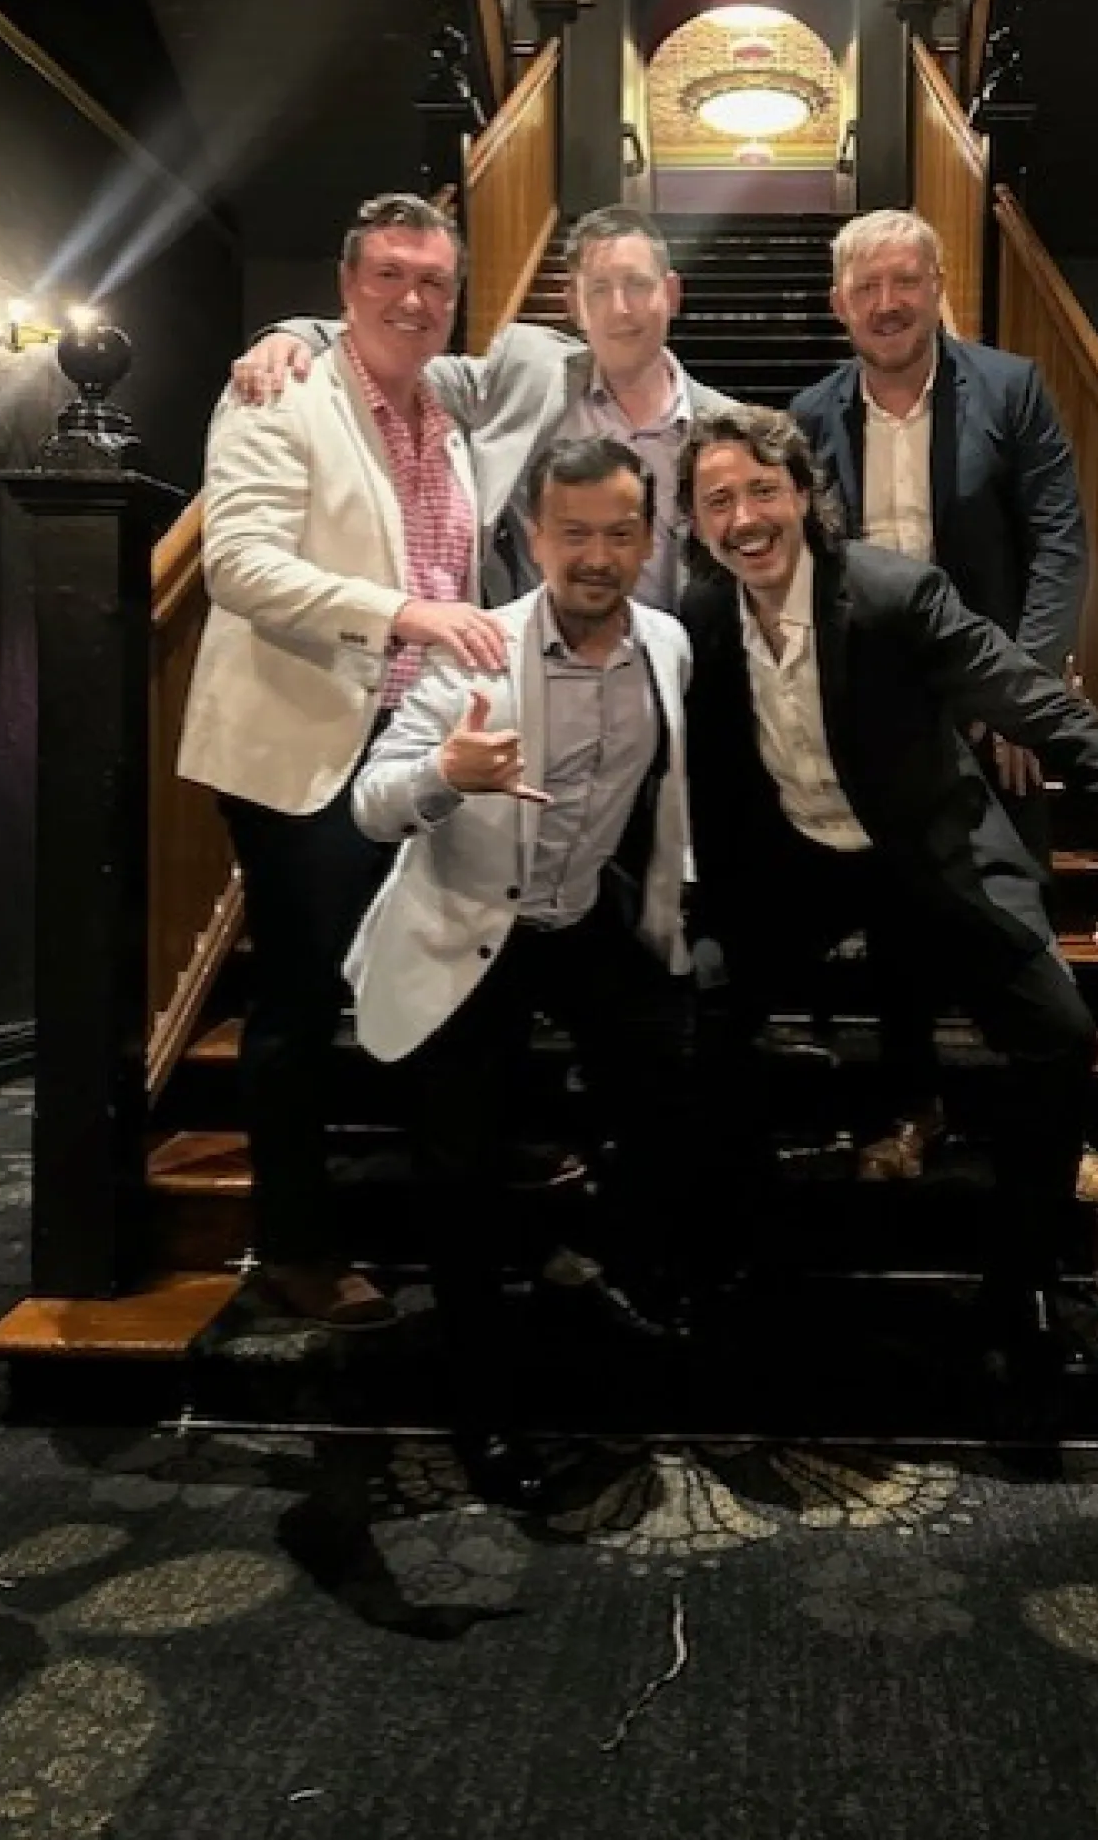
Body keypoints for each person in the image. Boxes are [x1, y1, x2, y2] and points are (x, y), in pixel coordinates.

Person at [677, 405, 1098, 1367]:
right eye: (718, 499)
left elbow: (1038, 704)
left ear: (803, 497)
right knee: (697, 1016)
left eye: (761, 490)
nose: (743, 515)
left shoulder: (894, 594)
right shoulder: (698, 617)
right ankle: (734, 1260)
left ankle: (1023, 1283)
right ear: (697, 523)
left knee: (1060, 1035)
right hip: (794, 864)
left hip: (922, 852)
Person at [178, 191, 507, 1330]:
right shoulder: (278, 392)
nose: (414, 299)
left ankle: (438, 1214)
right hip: (306, 748)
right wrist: (405, 613)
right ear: (345, 286)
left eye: (435, 283)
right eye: (390, 277)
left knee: (434, 980)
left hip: (419, 751)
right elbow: (240, 566)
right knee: (301, 1005)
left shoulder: (445, 419)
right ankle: (295, 1247)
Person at [348, 435, 693, 1502]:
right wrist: (447, 775)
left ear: (648, 537)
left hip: (580, 916)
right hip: (465, 921)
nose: (596, 554)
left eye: (618, 531)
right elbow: (369, 800)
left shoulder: (670, 645)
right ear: (534, 536)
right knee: (457, 1172)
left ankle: (626, 1285)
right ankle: (479, 1407)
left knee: (677, 1082)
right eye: (574, 531)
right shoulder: (472, 650)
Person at [228, 205, 739, 611]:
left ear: (671, 294)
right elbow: (395, 351)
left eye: (638, 285)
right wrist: (293, 334)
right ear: (573, 304)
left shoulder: (726, 427)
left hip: (671, 672)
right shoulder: (525, 370)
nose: (620, 308)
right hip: (529, 672)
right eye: (599, 289)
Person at [790, 207, 1086, 826]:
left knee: (1009, 907)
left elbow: (1059, 544)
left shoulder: (1012, 391)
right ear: (839, 304)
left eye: (905, 281)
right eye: (866, 287)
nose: (886, 303)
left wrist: (1024, 695)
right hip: (867, 706)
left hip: (990, 693)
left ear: (937, 287)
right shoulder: (810, 415)